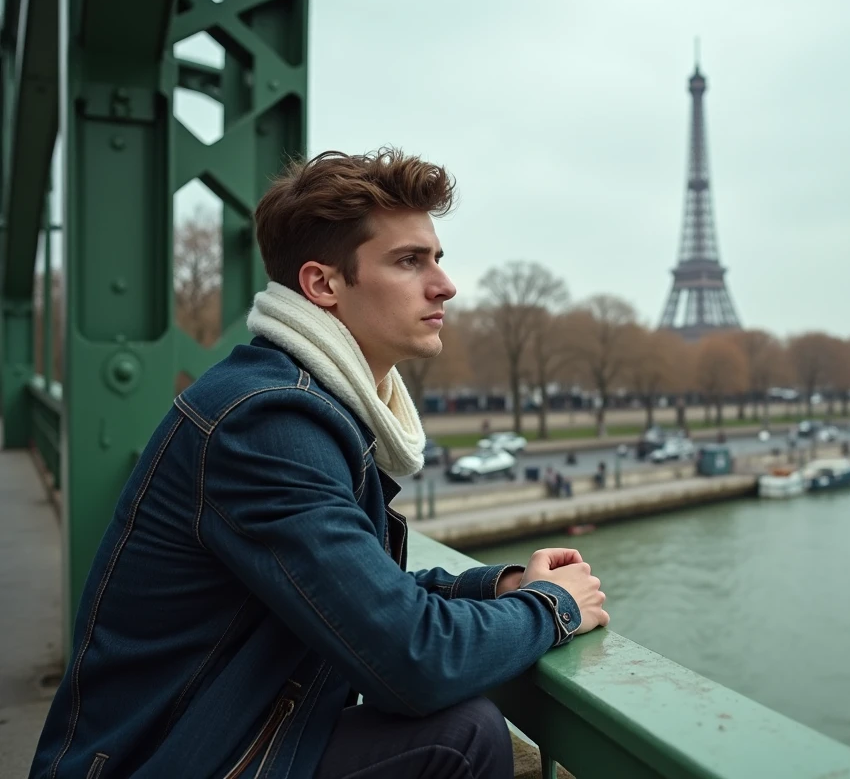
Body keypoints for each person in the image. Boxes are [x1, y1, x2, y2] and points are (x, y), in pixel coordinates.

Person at [29, 149, 609, 779]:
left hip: (200, 734)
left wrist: (493, 588)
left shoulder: (293, 399)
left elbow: (349, 597)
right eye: (410, 261)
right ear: (323, 284)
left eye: (436, 258)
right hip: (164, 758)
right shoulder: (270, 424)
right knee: (461, 735)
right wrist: (553, 607)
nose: (444, 284)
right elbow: (413, 659)